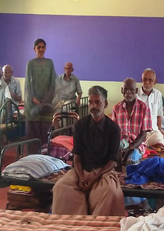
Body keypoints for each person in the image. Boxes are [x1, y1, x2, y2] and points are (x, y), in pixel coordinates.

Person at [51, 86, 126, 216]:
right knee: (60, 187)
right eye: (91, 102)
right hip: (81, 170)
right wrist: (81, 177)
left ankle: (97, 225)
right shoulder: (80, 125)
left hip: (103, 171)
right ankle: (73, 224)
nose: (93, 106)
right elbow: (77, 156)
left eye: (97, 102)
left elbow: (112, 161)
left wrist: (94, 178)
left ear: (105, 104)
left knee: (110, 192)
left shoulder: (113, 129)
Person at [110, 78, 153, 164]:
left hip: (137, 145)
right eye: (125, 89)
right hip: (121, 144)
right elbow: (114, 133)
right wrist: (118, 148)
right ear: (122, 90)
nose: (128, 92)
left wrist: (131, 147)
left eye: (131, 89)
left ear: (136, 90)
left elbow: (143, 134)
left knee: (131, 160)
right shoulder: (116, 108)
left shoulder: (144, 108)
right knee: (111, 158)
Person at [25, 38, 58, 149]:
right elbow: (28, 83)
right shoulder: (31, 63)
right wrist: (34, 98)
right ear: (34, 49)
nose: (41, 49)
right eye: (38, 47)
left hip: (46, 103)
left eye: (43, 47)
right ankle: (33, 156)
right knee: (33, 133)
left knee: (45, 132)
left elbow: (52, 82)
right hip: (33, 103)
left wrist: (45, 100)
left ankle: (45, 155)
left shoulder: (50, 63)